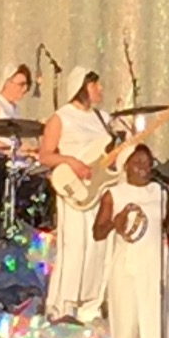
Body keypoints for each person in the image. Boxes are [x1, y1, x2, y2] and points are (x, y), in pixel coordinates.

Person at [39, 66, 115, 322]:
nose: (100, 89)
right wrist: (71, 162)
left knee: (98, 246)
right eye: (95, 85)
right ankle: (62, 305)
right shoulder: (61, 117)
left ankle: (91, 305)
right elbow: (45, 155)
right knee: (75, 245)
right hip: (74, 189)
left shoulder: (103, 118)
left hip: (100, 189)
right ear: (82, 87)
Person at [93, 144, 169, 338]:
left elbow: (166, 223)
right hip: (128, 267)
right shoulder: (113, 194)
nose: (144, 167)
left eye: (147, 163)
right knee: (128, 326)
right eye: (137, 163)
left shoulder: (160, 192)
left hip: (157, 266)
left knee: (158, 324)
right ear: (125, 166)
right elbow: (98, 233)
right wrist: (114, 223)